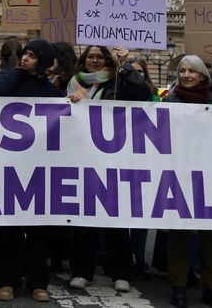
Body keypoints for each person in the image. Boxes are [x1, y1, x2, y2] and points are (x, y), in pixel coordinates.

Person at [66, 45, 151, 294]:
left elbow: (142, 93)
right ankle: (82, 271)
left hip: (114, 158)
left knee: (116, 218)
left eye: (99, 57)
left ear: (107, 60)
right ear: (84, 59)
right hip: (83, 158)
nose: (94, 60)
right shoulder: (73, 83)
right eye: (90, 56)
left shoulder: (117, 81)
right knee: (84, 218)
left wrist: (124, 65)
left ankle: (120, 273)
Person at [0, 39, 61, 302]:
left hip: (39, 167)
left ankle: (38, 283)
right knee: (11, 228)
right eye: (24, 53)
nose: (26, 58)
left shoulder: (51, 92)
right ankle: (8, 281)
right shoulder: (8, 79)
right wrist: (18, 73)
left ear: (43, 61)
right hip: (10, 163)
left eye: (32, 55)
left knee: (39, 229)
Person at [161, 55, 212, 308]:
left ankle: (210, 288)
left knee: (210, 234)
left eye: (192, 71)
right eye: (182, 70)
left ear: (203, 75)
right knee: (178, 232)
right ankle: (178, 287)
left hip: (209, 174)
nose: (186, 75)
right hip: (178, 171)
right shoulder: (170, 100)